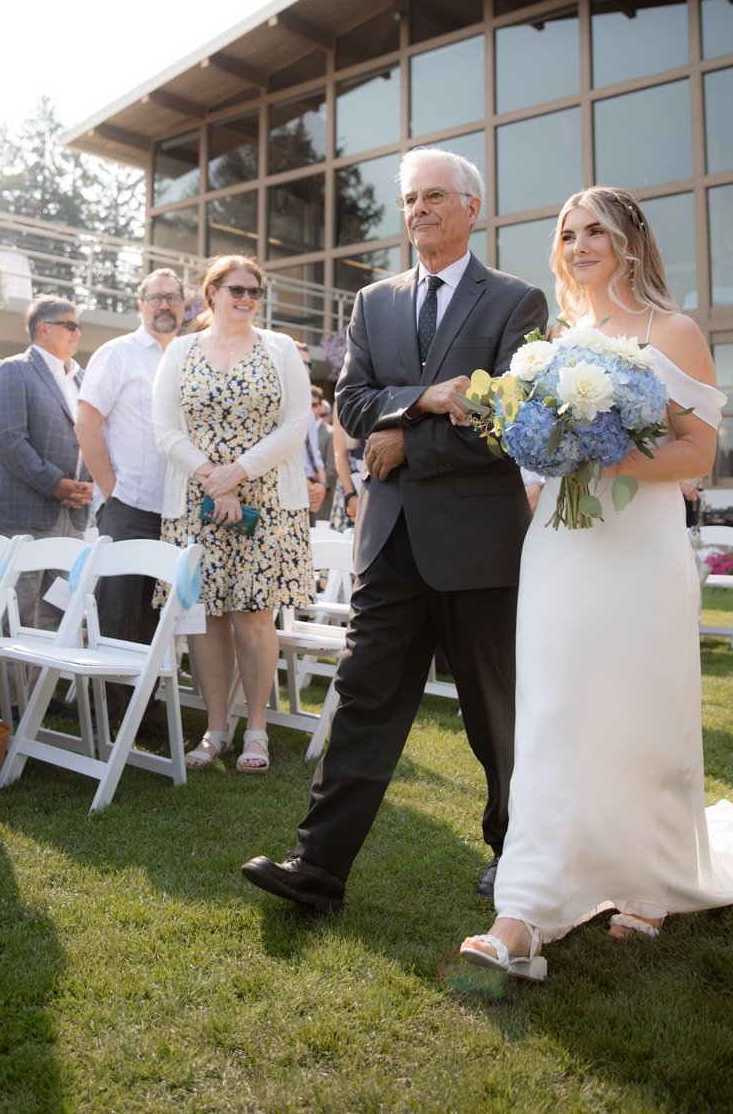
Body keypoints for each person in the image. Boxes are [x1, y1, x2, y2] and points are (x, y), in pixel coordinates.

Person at [460, 188, 733, 979]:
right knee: (553, 715)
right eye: (568, 234)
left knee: (642, 713)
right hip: (560, 549)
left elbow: (698, 453)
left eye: (597, 230)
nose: (580, 244)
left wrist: (614, 455)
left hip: (641, 553)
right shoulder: (555, 344)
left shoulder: (673, 331)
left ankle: (649, 883)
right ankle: (525, 914)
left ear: (630, 241)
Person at [242, 147, 547, 911]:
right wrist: (427, 400)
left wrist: (406, 442)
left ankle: (518, 856)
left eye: (435, 196)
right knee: (362, 699)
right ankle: (317, 867)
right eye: (410, 199)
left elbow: (507, 423)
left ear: (472, 207)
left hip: (480, 547)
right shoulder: (373, 302)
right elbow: (352, 405)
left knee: (496, 712)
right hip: (389, 542)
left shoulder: (517, 303)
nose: (419, 210)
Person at [153, 253, 314, 776]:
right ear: (212, 293)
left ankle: (257, 729)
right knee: (207, 617)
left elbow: (296, 424)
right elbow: (165, 430)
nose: (246, 299)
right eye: (236, 290)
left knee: (254, 614)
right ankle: (216, 728)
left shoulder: (280, 348)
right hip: (196, 501)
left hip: (266, 500)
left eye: (253, 292)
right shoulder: (180, 351)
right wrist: (212, 478)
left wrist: (237, 474)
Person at [76, 269, 185, 645]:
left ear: (183, 306)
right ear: (141, 305)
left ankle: (150, 688)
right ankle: (110, 688)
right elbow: (86, 424)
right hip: (129, 508)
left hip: (176, 513)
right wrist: (112, 491)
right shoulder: (117, 353)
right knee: (116, 621)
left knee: (158, 627)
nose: (164, 305)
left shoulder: (190, 358)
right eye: (155, 298)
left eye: (172, 298)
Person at [0, 295, 93, 628]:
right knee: (14, 616)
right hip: (26, 515)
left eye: (78, 326)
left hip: (72, 517)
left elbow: (92, 438)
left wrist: (87, 486)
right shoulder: (13, 369)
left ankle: (45, 670)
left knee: (58, 616)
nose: (78, 333)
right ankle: (2, 667)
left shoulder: (82, 379)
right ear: (44, 328)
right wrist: (54, 484)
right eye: (70, 325)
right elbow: (8, 440)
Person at [296, 343, 327, 516]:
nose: (307, 369)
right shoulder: (278, 404)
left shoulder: (308, 410)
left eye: (310, 364)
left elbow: (315, 453)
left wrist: (321, 486)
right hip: (292, 484)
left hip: (312, 487)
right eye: (302, 363)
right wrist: (308, 486)